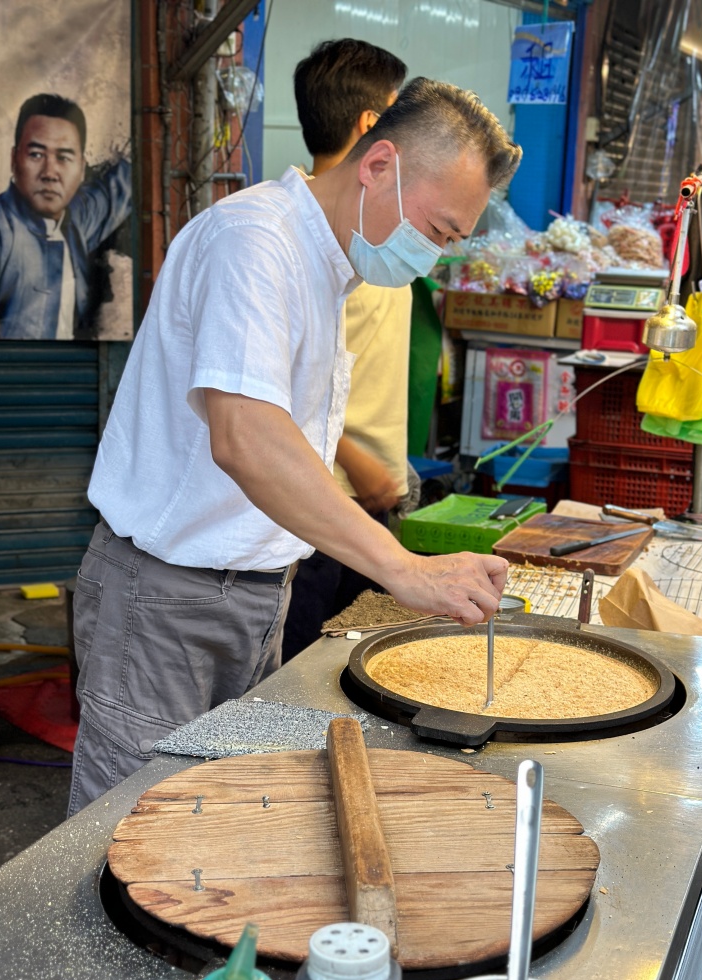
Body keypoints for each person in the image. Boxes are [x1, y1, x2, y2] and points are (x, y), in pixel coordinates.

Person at [67, 77, 522, 815]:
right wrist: (402, 568)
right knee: (125, 827)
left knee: (214, 816)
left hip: (253, 591)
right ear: (378, 166)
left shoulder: (326, 264)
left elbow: (295, 431)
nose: (432, 257)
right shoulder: (256, 242)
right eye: (437, 232)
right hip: (166, 595)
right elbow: (246, 437)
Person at [282, 38, 411, 661]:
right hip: (318, 509)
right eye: (401, 113)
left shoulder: (379, 226)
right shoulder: (293, 239)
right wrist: (355, 459)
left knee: (363, 670)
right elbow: (263, 396)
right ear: (369, 126)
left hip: (372, 503)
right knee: (301, 677)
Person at [0, 93, 132, 340]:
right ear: (14, 160)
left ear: (81, 168)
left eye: (63, 158)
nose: (50, 173)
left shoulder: (75, 224)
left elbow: (121, 188)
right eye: (36, 155)